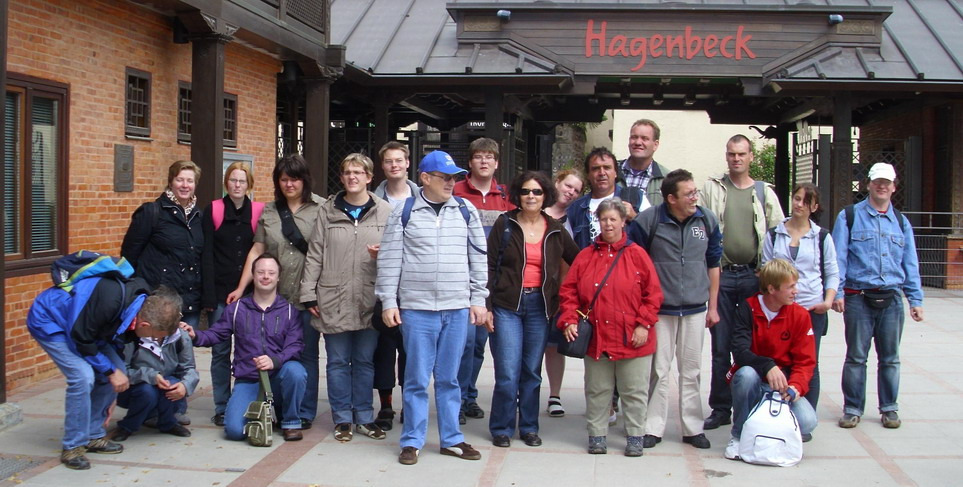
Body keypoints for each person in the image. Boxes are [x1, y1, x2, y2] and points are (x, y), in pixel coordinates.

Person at [376, 150, 489, 465]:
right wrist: (388, 301)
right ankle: (412, 440)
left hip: (456, 309)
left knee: (450, 379)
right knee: (415, 379)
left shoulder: (465, 210)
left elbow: (478, 258)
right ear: (425, 178)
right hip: (417, 310)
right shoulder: (405, 211)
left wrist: (478, 299)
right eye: (445, 177)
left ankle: (451, 439)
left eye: (455, 177)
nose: (452, 183)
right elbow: (389, 259)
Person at [28, 272, 182, 470]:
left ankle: (93, 435)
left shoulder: (138, 303)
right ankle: (73, 446)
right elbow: (81, 339)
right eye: (153, 336)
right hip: (50, 320)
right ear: (145, 324)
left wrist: (111, 390)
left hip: (86, 329)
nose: (152, 340)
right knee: (82, 377)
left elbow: (114, 343)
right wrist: (110, 372)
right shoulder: (111, 301)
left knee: (117, 370)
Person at [557, 198, 663, 457]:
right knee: (597, 389)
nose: (608, 224)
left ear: (624, 221)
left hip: (633, 337)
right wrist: (569, 318)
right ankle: (597, 434)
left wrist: (644, 325)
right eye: (603, 219)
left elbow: (654, 295)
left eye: (613, 219)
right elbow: (568, 291)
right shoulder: (585, 256)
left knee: (634, 391)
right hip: (598, 337)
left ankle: (635, 435)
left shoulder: (638, 255)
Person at [300, 154, 393, 442]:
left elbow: (397, 255)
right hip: (333, 296)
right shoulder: (327, 212)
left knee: (365, 361)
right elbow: (315, 254)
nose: (353, 177)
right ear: (341, 178)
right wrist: (308, 293)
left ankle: (364, 416)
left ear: (369, 177)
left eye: (358, 172)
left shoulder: (386, 212)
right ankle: (342, 418)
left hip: (369, 297)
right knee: (338, 361)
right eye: (347, 172)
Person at [228, 154, 325, 429]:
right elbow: (258, 250)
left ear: (304, 180)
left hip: (307, 298)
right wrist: (241, 287)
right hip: (275, 301)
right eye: (284, 179)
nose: (289, 184)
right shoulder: (270, 211)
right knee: (274, 351)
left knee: (306, 355)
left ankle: (304, 411)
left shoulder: (321, 208)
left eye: (294, 179)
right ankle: (279, 406)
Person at [628, 169, 722, 450]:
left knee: (691, 369)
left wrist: (713, 307)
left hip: (695, 308)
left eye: (695, 192)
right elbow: (636, 264)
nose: (695, 197)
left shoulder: (707, 220)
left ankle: (692, 428)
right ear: (671, 198)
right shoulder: (649, 221)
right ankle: (653, 427)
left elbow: (714, 264)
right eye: (689, 193)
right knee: (658, 370)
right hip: (660, 310)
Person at [486, 171, 580, 448]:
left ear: (545, 196)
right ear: (518, 194)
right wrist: (487, 305)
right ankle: (502, 427)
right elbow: (489, 267)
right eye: (526, 191)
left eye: (537, 192)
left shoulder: (554, 228)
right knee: (507, 372)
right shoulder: (505, 224)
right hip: (506, 307)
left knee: (531, 371)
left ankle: (528, 426)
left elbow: (579, 260)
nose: (531, 196)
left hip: (540, 308)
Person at [831, 162, 924, 429]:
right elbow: (838, 258)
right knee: (856, 357)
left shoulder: (902, 223)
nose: (882, 186)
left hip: (892, 299)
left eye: (887, 182)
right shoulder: (848, 216)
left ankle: (889, 408)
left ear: (894, 187)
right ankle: (852, 408)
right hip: (859, 297)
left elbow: (910, 263)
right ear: (869, 184)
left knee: (890, 358)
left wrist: (915, 300)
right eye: (877, 181)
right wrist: (837, 292)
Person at [701, 135, 784, 430]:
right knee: (721, 346)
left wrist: (771, 274)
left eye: (741, 154)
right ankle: (721, 407)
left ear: (751, 157)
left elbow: (778, 234)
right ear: (726, 156)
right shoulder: (712, 189)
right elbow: (701, 226)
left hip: (753, 277)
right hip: (722, 277)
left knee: (751, 344)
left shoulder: (764, 193)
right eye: (731, 154)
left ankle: (750, 403)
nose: (736, 159)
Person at [185, 253, 307, 441]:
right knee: (233, 431)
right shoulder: (236, 309)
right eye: (261, 272)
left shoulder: (290, 311)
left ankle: (290, 422)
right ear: (253, 275)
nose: (266, 276)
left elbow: (295, 346)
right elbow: (216, 334)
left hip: (278, 377)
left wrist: (274, 361)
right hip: (249, 380)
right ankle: (263, 413)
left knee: (296, 371)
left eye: (271, 273)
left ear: (278, 277)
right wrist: (195, 335)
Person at [762, 182, 839, 438]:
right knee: (780, 359)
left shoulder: (821, 236)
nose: (798, 204)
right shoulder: (775, 233)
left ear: (814, 207)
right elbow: (765, 268)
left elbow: (831, 271)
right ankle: (777, 413)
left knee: (809, 364)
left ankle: (806, 418)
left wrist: (827, 301)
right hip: (781, 309)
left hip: (811, 308)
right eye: (796, 198)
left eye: (805, 201)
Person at [724, 259, 818, 460]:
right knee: (746, 375)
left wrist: (795, 387)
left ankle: (770, 427)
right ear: (771, 289)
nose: (796, 291)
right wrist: (767, 366)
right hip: (754, 376)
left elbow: (806, 361)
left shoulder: (800, 315)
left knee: (808, 422)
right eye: (790, 287)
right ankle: (738, 436)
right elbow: (740, 351)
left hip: (782, 383)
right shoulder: (747, 308)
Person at [453, 137, 516, 424]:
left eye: (489, 157)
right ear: (470, 162)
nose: (484, 161)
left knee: (479, 344)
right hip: (462, 279)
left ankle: (469, 396)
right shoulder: (455, 192)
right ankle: (458, 398)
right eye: (479, 156)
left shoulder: (505, 197)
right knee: (464, 343)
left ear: (497, 163)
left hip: (496, 279)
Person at [200, 161, 262, 427]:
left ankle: (247, 400)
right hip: (220, 294)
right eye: (233, 180)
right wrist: (209, 295)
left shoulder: (259, 211)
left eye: (242, 181)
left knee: (250, 350)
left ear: (249, 185)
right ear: (226, 183)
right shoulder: (213, 210)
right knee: (220, 352)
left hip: (249, 295)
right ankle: (222, 405)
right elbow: (207, 255)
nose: (237, 185)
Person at [121, 160, 204, 328]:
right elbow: (129, 256)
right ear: (170, 181)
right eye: (180, 179)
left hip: (189, 303)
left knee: (184, 351)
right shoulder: (152, 212)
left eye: (190, 181)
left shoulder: (199, 217)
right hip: (158, 301)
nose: (185, 185)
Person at [371, 141, 418, 430]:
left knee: (411, 350)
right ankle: (386, 404)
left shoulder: (421, 197)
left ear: (408, 163)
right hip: (382, 284)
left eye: (399, 160)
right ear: (382, 166)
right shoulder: (373, 199)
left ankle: (409, 405)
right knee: (384, 349)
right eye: (388, 161)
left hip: (414, 287)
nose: (394, 165)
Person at [111, 299, 199, 441]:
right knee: (147, 391)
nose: (162, 337)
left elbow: (189, 369)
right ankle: (128, 426)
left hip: (166, 381)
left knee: (172, 385)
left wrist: (185, 385)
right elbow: (123, 372)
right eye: (161, 334)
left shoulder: (181, 337)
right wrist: (150, 376)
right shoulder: (131, 338)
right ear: (147, 326)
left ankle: (167, 422)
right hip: (134, 387)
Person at [542, 168, 584, 417]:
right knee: (530, 344)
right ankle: (522, 391)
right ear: (557, 182)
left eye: (577, 190)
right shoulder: (535, 206)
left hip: (562, 290)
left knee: (554, 346)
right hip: (533, 289)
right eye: (568, 186)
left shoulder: (575, 218)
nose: (571, 192)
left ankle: (554, 395)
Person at [566, 147, 645, 249]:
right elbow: (567, 249)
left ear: (616, 173)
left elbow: (652, 237)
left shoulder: (636, 197)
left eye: (607, 167)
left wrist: (634, 217)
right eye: (595, 168)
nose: (602, 173)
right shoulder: (575, 209)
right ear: (588, 175)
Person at [618, 119, 670, 209]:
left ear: (655, 145)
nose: (638, 142)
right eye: (634, 137)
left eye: (644, 138)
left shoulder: (666, 179)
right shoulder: (612, 171)